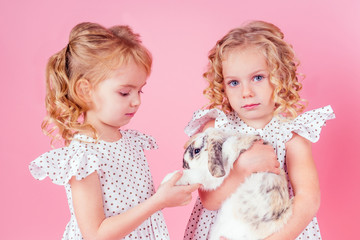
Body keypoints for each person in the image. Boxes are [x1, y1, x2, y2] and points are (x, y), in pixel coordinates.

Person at [29, 22, 200, 240]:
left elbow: (134, 207)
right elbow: (96, 234)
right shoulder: (84, 157)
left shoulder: (130, 142)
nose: (136, 101)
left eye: (140, 90)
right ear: (85, 91)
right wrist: (158, 202)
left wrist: (162, 195)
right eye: (124, 92)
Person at [183, 20, 335, 240]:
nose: (246, 92)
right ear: (223, 86)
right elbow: (209, 201)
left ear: (280, 77)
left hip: (277, 232)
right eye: (234, 82)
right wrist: (241, 170)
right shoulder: (217, 129)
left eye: (257, 78)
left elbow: (308, 199)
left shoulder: (291, 135)